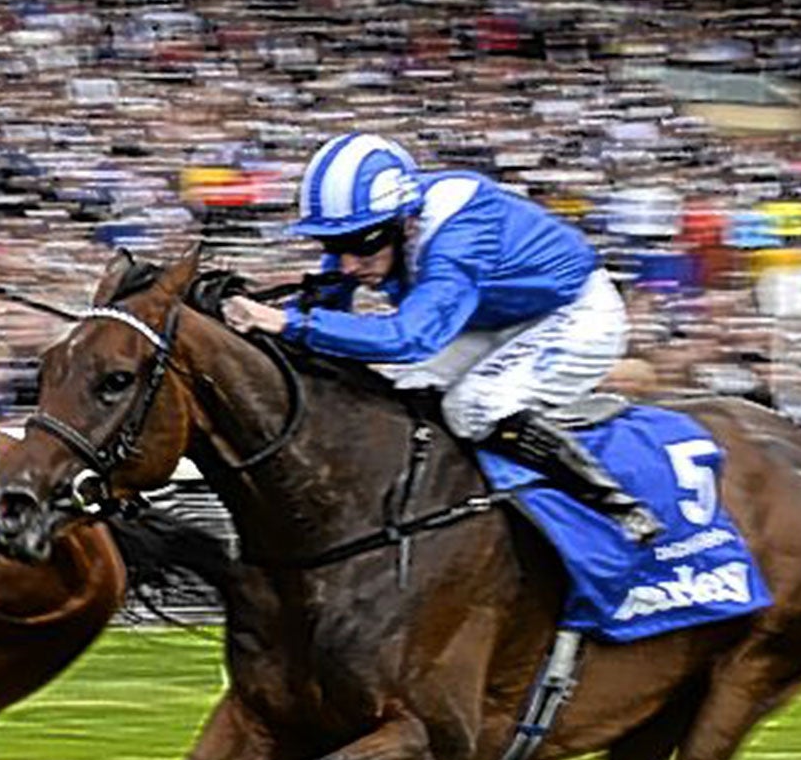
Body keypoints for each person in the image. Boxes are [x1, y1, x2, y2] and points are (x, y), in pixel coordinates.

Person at [222, 133, 663, 543]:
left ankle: (615, 504)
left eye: (362, 244)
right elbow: (324, 312)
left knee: (473, 405)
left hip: (574, 313)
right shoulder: (380, 231)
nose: (349, 264)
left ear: (406, 223)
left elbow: (410, 338)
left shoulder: (457, 234)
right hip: (490, 321)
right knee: (394, 386)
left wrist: (286, 324)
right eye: (334, 246)